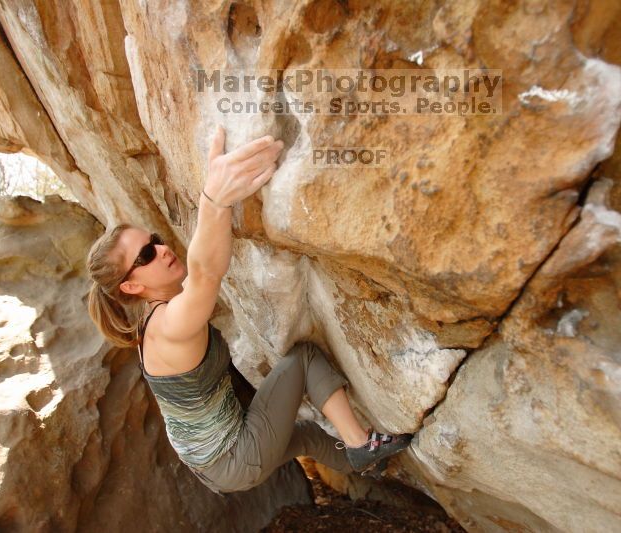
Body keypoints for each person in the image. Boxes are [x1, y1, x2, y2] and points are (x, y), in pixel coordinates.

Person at [85, 125, 411, 493]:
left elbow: (200, 266)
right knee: (302, 358)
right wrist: (214, 199)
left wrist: (213, 197)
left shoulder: (158, 318)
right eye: (146, 255)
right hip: (233, 458)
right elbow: (205, 273)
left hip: (217, 464)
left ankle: (373, 467)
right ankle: (361, 444)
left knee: (306, 437)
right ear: (131, 286)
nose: (161, 250)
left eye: (155, 241)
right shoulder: (168, 327)